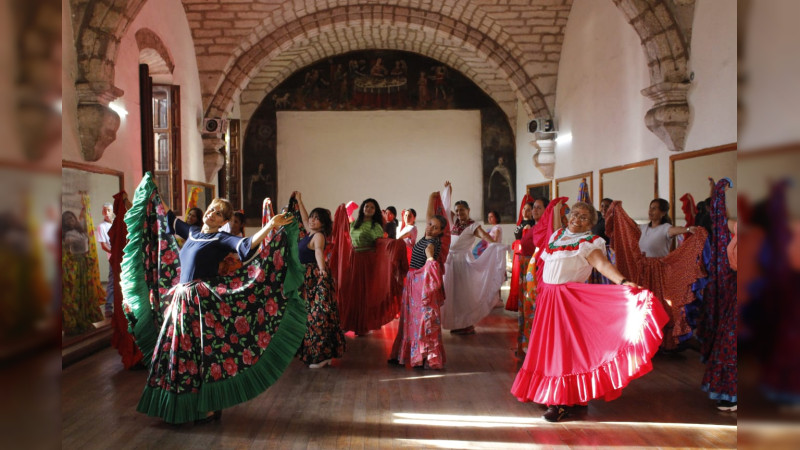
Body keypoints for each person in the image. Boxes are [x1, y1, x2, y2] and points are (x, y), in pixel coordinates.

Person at [121, 173, 303, 425]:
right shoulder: (192, 231)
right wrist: (153, 190)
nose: (211, 214)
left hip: (198, 303)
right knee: (175, 351)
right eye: (211, 210)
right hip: (179, 299)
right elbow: (166, 215)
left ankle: (203, 408)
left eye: (218, 213)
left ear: (224, 221)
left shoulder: (221, 238)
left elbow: (248, 244)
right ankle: (177, 406)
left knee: (194, 354)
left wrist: (271, 225)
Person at [511, 198, 669, 422]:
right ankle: (560, 394)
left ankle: (561, 402)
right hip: (548, 300)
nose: (577, 219)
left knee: (563, 351)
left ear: (590, 224)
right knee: (548, 348)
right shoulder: (557, 236)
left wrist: (623, 282)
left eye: (583, 217)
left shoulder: (589, 242)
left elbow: (603, 265)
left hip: (568, 302)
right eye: (575, 214)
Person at [389, 189, 450, 369]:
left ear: (440, 232)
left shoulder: (433, 243)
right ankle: (414, 355)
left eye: (435, 227)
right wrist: (431, 198)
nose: (430, 226)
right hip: (413, 282)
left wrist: (430, 257)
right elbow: (430, 215)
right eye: (429, 224)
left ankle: (427, 357)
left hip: (422, 285)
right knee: (412, 319)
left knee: (424, 320)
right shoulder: (426, 236)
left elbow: (432, 267)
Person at [439, 181, 509, 335]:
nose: (459, 213)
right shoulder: (455, 222)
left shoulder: (473, 226)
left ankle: (466, 324)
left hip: (462, 264)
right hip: (450, 263)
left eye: (462, 210)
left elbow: (486, 236)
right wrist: (448, 190)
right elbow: (445, 208)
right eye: (457, 210)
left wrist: (498, 246)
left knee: (462, 296)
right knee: (452, 296)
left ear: (468, 210)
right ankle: (456, 323)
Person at [293, 192, 345, 369]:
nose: (313, 221)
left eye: (317, 218)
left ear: (323, 223)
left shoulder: (318, 236)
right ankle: (324, 355)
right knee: (313, 317)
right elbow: (305, 219)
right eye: (313, 218)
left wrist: (322, 270)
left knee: (318, 317)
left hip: (316, 277)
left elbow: (318, 253)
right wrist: (300, 201)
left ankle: (321, 356)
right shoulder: (310, 232)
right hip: (308, 277)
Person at [62, 194, 106, 335]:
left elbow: (85, 233)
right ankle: (74, 322)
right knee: (75, 294)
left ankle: (84, 319)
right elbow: (67, 248)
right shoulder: (66, 235)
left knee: (86, 293)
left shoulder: (80, 230)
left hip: (84, 266)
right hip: (73, 267)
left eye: (72, 218)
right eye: (67, 219)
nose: (70, 220)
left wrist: (85, 209)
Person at [96, 202, 115, 317]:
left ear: (112, 211)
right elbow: (104, 246)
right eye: (105, 211)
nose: (107, 213)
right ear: (102, 212)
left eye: (109, 210)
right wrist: (115, 253)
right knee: (112, 282)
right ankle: (108, 307)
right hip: (113, 258)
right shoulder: (101, 227)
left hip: (123, 257)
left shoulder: (117, 223)